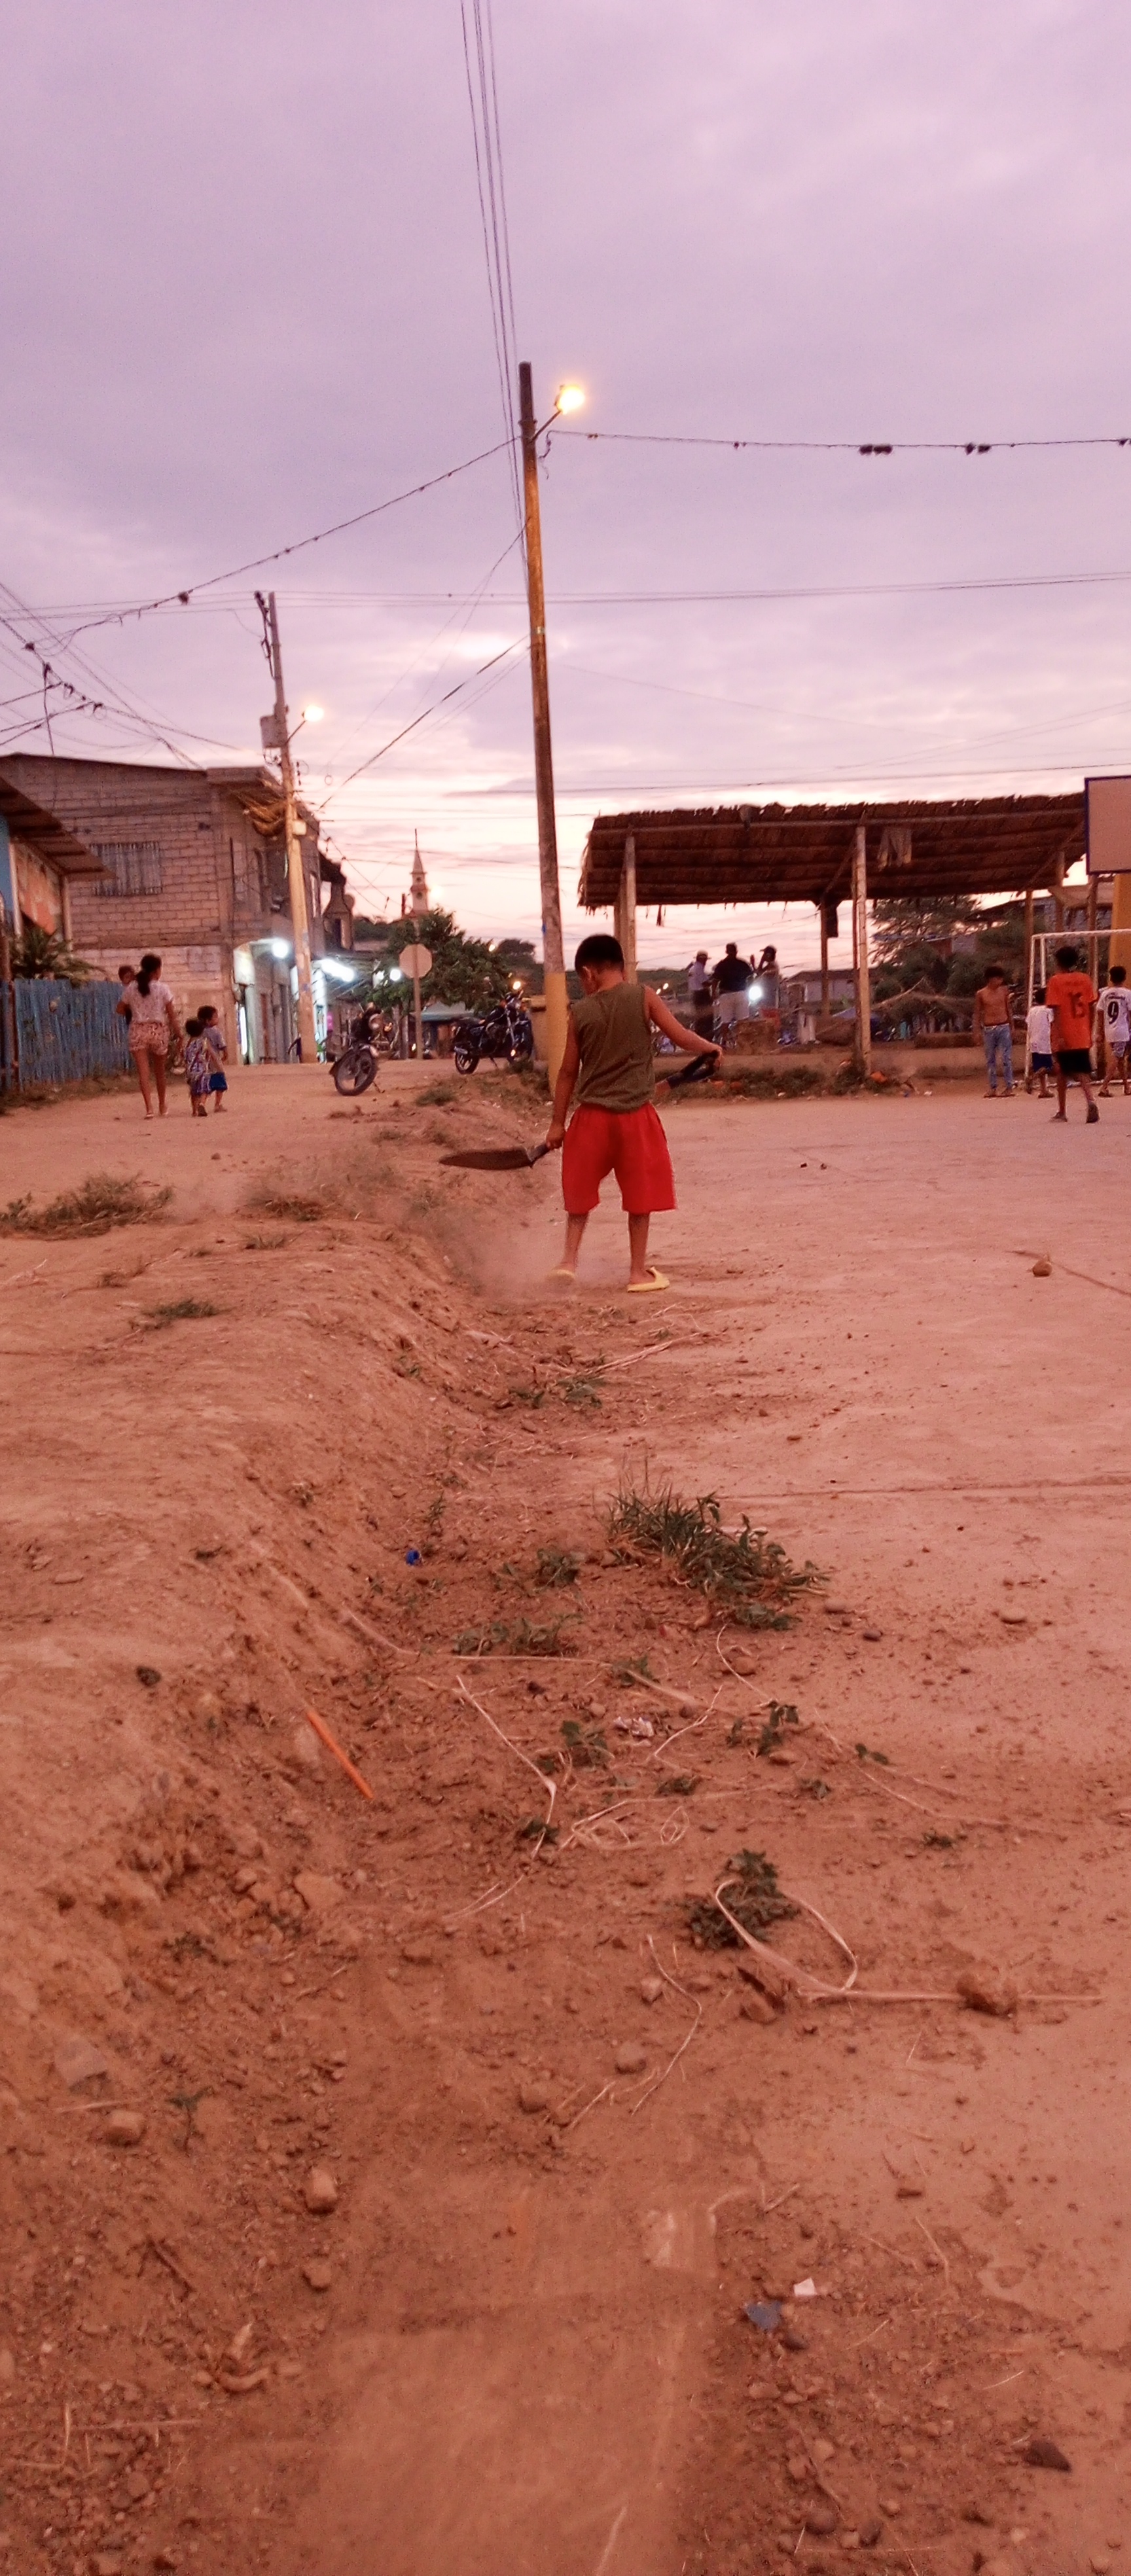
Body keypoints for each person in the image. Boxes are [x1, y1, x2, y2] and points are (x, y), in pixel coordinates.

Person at [545, 933, 720, 1293]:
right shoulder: (644, 997)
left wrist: (557, 1125)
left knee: (579, 1194)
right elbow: (682, 1036)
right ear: (621, 968)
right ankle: (637, 1274)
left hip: (590, 1120)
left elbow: (567, 1073)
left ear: (588, 973)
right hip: (636, 1119)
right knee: (640, 1197)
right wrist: (712, 1048)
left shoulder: (580, 1013)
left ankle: (568, 1262)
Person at [116, 953, 181, 1118]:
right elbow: (172, 1015)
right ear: (157, 970)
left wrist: (134, 1011)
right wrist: (179, 1034)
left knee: (143, 1073)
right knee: (160, 1072)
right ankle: (162, 1106)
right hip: (158, 1030)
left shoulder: (132, 988)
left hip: (138, 1030)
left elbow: (119, 1009)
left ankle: (149, 1109)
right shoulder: (163, 989)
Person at [1045, 943, 1098, 1123]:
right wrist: (1089, 1029)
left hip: (1065, 1033)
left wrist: (1060, 1035)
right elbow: (1091, 1005)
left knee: (1063, 1070)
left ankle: (1064, 1110)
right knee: (1081, 1070)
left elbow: (1057, 1010)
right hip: (1082, 1032)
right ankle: (1088, 1101)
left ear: (1058, 962)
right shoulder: (1085, 979)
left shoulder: (1056, 981)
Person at [972, 963, 1015, 1096]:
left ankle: (1009, 1086)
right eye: (998, 978)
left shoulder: (1004, 991)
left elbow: (1008, 1009)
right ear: (991, 979)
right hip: (989, 1029)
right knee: (990, 1059)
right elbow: (977, 1013)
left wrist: (1012, 1026)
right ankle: (993, 1087)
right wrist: (976, 1031)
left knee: (1007, 1058)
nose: (1001, 981)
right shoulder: (981, 994)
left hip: (1004, 1026)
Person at [1097, 962, 1131, 1098]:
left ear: (1111, 978)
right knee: (1117, 1058)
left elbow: (1100, 1012)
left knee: (1120, 1059)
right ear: (1124, 977)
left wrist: (1100, 1031)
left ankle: (1126, 1086)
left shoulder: (1105, 994)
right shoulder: (1127, 994)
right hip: (1122, 1031)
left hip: (1110, 1030)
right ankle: (1104, 1086)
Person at [712, 942, 751, 1039]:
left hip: (727, 994)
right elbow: (751, 977)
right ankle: (742, 1041)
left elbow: (715, 980)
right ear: (736, 951)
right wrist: (748, 988)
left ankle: (724, 1041)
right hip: (740, 993)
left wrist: (714, 993)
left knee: (726, 1020)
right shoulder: (742, 964)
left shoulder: (722, 965)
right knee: (743, 1020)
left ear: (727, 952)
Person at [197, 1005, 228, 1111]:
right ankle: (218, 1104)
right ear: (208, 1020)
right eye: (215, 1017)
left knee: (206, 1086)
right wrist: (225, 1054)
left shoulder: (200, 1033)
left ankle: (202, 1103)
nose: (217, 1018)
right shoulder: (216, 1032)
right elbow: (222, 1045)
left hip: (204, 1064)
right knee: (220, 1084)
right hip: (215, 1062)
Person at [1026, 985, 1055, 1101]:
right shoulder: (1049, 1011)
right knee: (1049, 1066)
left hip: (1034, 1040)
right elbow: (1052, 1024)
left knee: (1039, 1065)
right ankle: (1032, 1078)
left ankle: (1044, 1090)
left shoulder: (1032, 1010)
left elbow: (1028, 1024)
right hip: (1045, 1041)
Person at [183, 1018, 212, 1118]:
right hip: (202, 1070)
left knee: (194, 1091)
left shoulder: (187, 1044)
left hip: (191, 1071)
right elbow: (208, 1054)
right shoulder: (203, 1042)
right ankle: (202, 1104)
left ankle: (194, 1111)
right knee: (204, 1090)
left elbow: (184, 1056)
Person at [687, 950, 713, 1041]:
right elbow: (705, 983)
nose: (705, 962)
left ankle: (699, 1037)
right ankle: (706, 1038)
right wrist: (714, 981)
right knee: (707, 1018)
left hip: (695, 995)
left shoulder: (692, 969)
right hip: (702, 995)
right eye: (705, 960)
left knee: (699, 1018)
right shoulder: (699, 968)